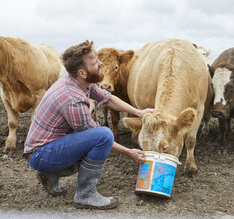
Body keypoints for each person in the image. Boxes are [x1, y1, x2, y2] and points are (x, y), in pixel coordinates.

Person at [23, 40, 154, 210]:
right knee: (104, 136)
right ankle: (85, 194)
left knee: (98, 139)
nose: (100, 63)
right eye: (94, 63)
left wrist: (139, 112)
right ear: (82, 72)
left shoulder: (78, 82)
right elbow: (97, 137)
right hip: (41, 154)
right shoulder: (73, 98)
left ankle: (51, 174)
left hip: (45, 148)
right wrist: (129, 152)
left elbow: (108, 98)